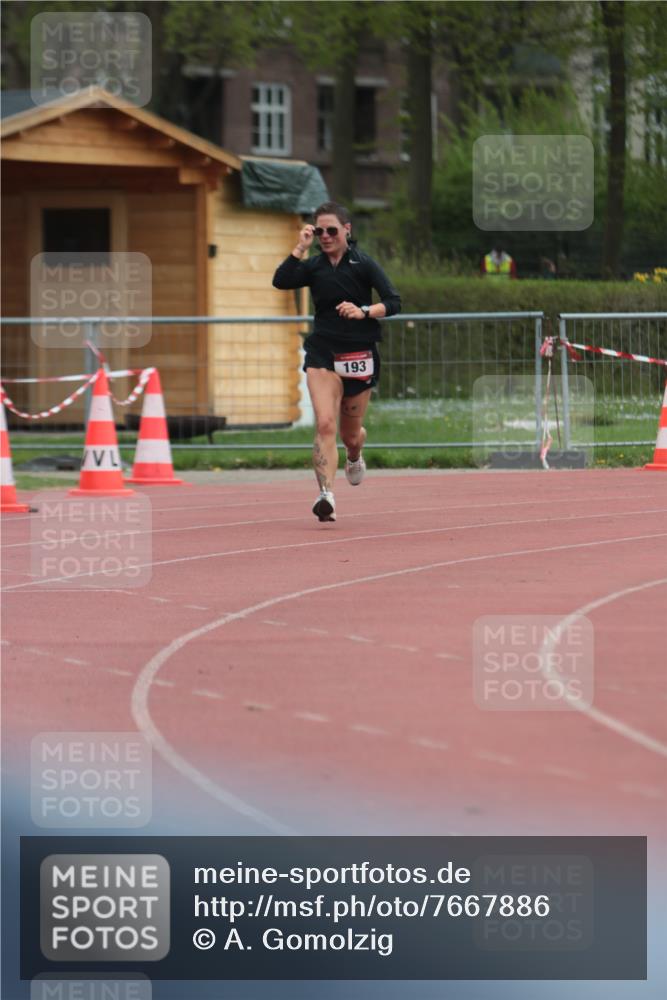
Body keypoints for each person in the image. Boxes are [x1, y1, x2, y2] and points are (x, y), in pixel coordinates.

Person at [272, 201, 401, 522]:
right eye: (319, 231)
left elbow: (394, 301)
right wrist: (299, 247)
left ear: (347, 230)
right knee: (325, 423)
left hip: (359, 352)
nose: (325, 236)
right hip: (323, 353)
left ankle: (355, 454)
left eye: (331, 230)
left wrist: (365, 311)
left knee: (349, 434)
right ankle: (325, 494)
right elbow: (281, 280)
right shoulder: (314, 265)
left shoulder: (363, 264)